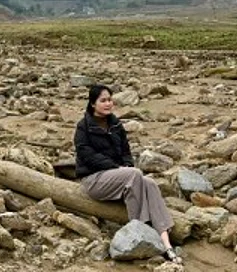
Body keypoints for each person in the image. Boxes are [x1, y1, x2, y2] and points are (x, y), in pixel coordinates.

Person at [74, 84, 183, 264]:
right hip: (93, 180)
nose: (108, 103)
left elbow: (126, 150)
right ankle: (139, 234)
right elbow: (87, 155)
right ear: (93, 103)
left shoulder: (115, 124)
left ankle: (165, 241)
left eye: (110, 100)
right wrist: (117, 168)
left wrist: (125, 165)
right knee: (134, 174)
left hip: (119, 178)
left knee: (150, 183)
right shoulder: (83, 127)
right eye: (103, 100)